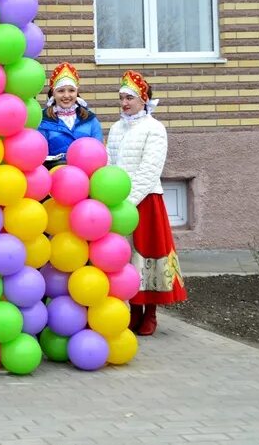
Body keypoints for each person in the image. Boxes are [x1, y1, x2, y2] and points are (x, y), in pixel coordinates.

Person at [106, 71, 187, 336]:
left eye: (130, 97)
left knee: (148, 255)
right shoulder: (117, 128)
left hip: (146, 200)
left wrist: (130, 200)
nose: (125, 103)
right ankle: (133, 310)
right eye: (121, 98)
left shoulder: (154, 128)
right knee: (126, 259)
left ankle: (150, 312)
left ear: (143, 99)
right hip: (119, 204)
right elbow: (108, 163)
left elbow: (150, 169)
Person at [39, 62, 103, 168]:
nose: (66, 95)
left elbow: (99, 152)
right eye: (61, 91)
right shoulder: (43, 120)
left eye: (71, 90)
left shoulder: (90, 119)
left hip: (86, 178)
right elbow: (39, 157)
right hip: (55, 178)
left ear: (76, 92)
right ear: (53, 93)